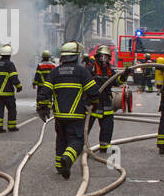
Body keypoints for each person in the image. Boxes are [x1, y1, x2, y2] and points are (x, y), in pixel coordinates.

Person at [50, 41, 96, 179]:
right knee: (77, 140)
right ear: (76, 57)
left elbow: (45, 90)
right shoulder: (82, 71)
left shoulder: (55, 71)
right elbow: (93, 90)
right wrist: (94, 101)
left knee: (61, 140)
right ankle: (67, 159)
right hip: (76, 115)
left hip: (59, 115)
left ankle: (59, 166)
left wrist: (42, 106)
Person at [87, 44, 128, 153]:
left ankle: (104, 147)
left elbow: (116, 82)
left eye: (106, 57)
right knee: (85, 126)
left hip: (106, 102)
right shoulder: (92, 68)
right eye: (102, 57)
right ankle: (79, 146)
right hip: (93, 103)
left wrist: (124, 76)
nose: (104, 60)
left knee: (108, 126)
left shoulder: (109, 69)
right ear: (97, 57)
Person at [0, 44, 21, 133]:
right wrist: (19, 87)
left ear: (1, 54)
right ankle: (12, 127)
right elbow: (14, 78)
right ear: (9, 55)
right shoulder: (10, 64)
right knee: (12, 110)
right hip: (8, 94)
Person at [32, 49, 56, 122]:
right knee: (49, 97)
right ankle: (48, 108)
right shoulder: (53, 65)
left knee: (40, 97)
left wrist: (34, 83)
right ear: (49, 57)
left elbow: (38, 75)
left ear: (42, 57)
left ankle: (40, 108)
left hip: (41, 85)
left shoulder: (40, 65)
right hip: (50, 84)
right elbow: (54, 75)